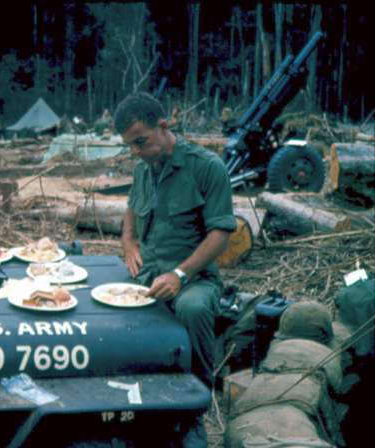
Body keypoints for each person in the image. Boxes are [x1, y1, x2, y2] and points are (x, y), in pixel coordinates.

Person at [114, 92, 237, 448]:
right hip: (148, 271)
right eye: (128, 145)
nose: (134, 151)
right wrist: (128, 243)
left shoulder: (206, 166)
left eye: (140, 141)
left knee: (193, 308)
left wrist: (180, 275)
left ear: (163, 126)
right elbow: (131, 210)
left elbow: (222, 232)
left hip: (192, 278)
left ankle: (193, 408)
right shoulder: (142, 168)